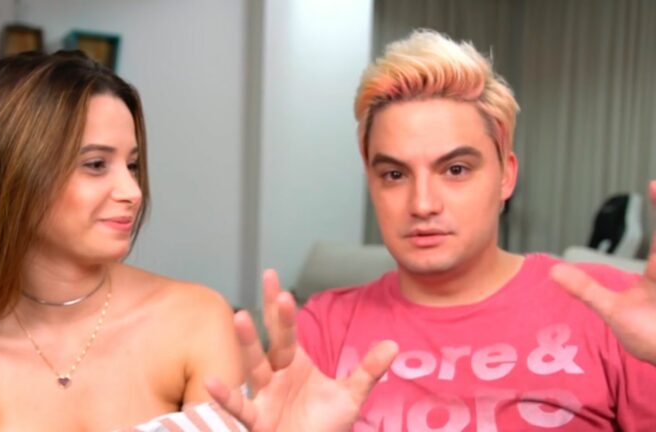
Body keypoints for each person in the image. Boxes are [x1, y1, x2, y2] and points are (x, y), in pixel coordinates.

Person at [206, 29, 656, 431]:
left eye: (455, 169)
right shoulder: (324, 327)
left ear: (506, 176)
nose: (422, 204)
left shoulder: (616, 309)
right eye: (394, 175)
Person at [0, 51, 245, 431]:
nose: (133, 191)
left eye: (132, 165)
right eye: (96, 164)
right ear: (12, 175)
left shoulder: (196, 320)